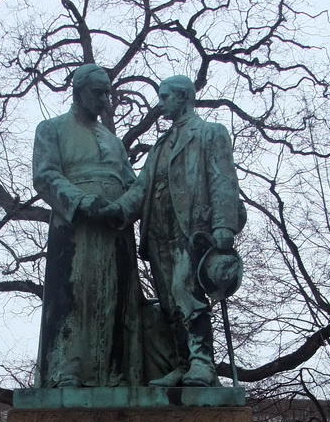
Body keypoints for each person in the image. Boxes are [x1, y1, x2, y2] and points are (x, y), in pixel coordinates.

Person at [112, 75, 246, 386]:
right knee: (169, 300)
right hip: (158, 231)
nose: (160, 105)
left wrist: (223, 225)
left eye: (164, 97)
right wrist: (115, 211)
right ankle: (182, 363)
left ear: (182, 96)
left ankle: (202, 362)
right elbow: (142, 189)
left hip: (191, 230)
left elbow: (223, 179)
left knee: (186, 293)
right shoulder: (160, 145)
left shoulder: (209, 133)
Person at [32, 64, 144, 387]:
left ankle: (114, 373)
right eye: (98, 92)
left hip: (114, 229)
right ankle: (68, 371)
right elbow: (46, 175)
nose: (104, 100)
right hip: (75, 229)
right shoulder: (51, 129)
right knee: (75, 296)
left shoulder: (114, 142)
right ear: (78, 91)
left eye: (107, 93)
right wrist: (82, 201)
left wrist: (124, 208)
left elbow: (133, 183)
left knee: (116, 300)